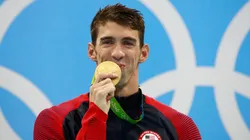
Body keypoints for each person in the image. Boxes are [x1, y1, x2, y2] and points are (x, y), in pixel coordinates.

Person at [33, 3, 202, 140]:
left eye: (128, 43)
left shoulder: (180, 126)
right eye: (107, 42)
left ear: (143, 53)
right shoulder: (55, 121)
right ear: (92, 52)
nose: (117, 53)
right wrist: (96, 116)